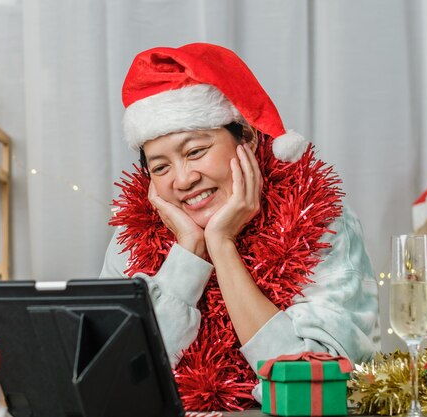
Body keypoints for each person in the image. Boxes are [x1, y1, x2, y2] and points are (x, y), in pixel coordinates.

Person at [100, 43, 379, 411]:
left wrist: (222, 244)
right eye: (161, 167)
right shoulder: (131, 239)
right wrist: (188, 252)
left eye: (195, 151)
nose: (183, 180)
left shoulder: (319, 217)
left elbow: (316, 388)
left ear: (245, 137)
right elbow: (114, 382)